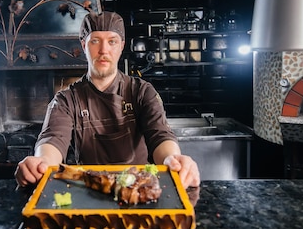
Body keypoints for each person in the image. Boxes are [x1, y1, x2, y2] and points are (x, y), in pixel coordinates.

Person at [14, 11, 200, 189]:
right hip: (89, 190)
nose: (104, 50)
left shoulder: (142, 92)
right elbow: (53, 139)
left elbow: (160, 135)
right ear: (84, 45)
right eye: (95, 41)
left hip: (138, 188)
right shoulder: (66, 99)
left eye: (112, 41)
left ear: (121, 46)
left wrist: (173, 159)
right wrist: (42, 163)